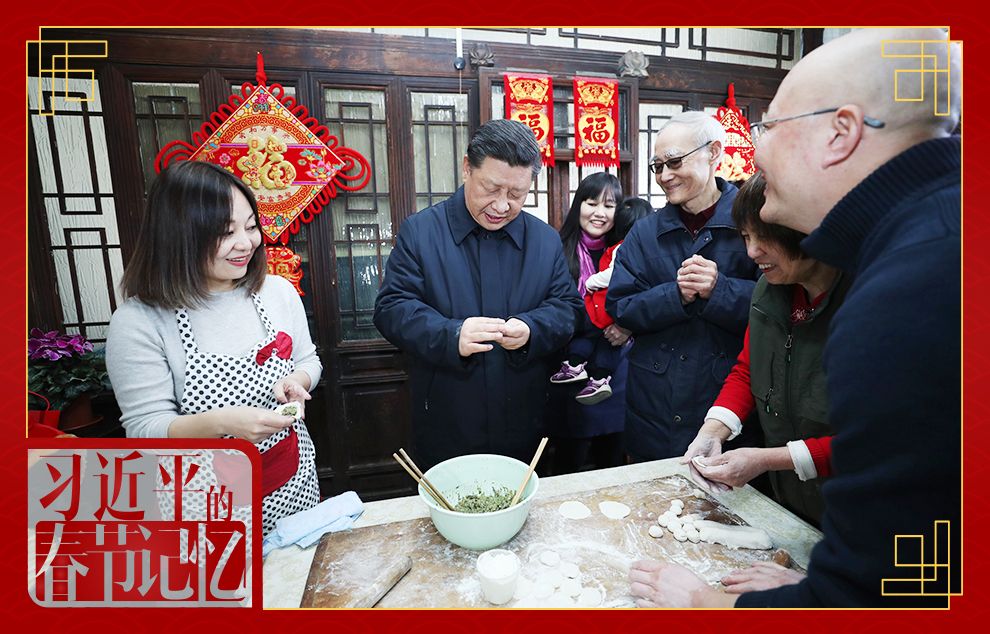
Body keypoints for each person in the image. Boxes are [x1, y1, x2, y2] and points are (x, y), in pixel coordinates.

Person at [629, 27, 960, 607]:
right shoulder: (936, 230)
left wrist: (716, 605)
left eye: (768, 127)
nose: (753, 152)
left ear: (841, 132)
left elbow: (902, 579)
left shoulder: (912, 289)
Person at [105, 160, 322, 537]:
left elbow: (308, 360)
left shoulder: (277, 292)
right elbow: (145, 429)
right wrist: (224, 423)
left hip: (293, 487)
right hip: (203, 508)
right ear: (178, 236)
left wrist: (298, 381)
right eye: (226, 232)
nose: (246, 243)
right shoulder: (139, 321)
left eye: (251, 227)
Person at [373, 119, 583, 470]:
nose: (501, 206)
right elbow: (391, 309)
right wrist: (451, 334)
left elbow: (568, 309)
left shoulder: (545, 240)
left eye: (516, 194)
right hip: (448, 418)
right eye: (491, 188)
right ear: (467, 168)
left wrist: (532, 329)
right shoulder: (421, 232)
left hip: (525, 421)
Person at [681, 172, 850, 527]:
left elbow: (878, 440)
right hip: (793, 498)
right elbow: (749, 369)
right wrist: (712, 432)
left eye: (766, 236)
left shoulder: (865, 302)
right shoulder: (769, 290)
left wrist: (767, 459)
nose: (752, 251)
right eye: (746, 236)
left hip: (856, 506)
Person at [606, 110, 761, 461]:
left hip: (727, 406)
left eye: (674, 162)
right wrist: (675, 295)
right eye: (658, 166)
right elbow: (621, 306)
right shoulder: (645, 232)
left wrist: (719, 289)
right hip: (653, 408)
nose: (665, 176)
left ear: (714, 152)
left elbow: (780, 306)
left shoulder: (753, 222)